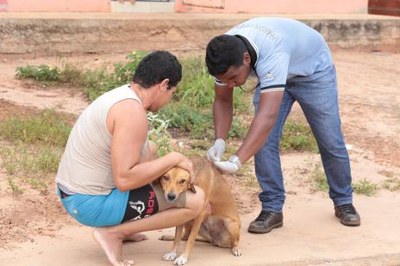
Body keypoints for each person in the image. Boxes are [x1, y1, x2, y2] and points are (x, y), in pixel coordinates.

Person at [205, 17, 361, 234]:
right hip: (275, 73)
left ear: (246, 58)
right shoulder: (223, 53)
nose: (230, 84)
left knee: (329, 139)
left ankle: (343, 201)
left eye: (233, 78)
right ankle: (272, 209)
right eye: (225, 80)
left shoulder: (271, 50)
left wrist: (236, 161)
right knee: (265, 143)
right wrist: (220, 140)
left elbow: (267, 117)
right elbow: (222, 100)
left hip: (313, 71)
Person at [56, 51, 205, 266]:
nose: (169, 99)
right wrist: (174, 157)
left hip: (72, 191)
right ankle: (114, 233)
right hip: (88, 203)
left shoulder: (122, 95)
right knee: (196, 200)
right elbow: (125, 180)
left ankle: (126, 226)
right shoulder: (132, 112)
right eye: (172, 92)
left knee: (150, 149)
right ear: (163, 84)